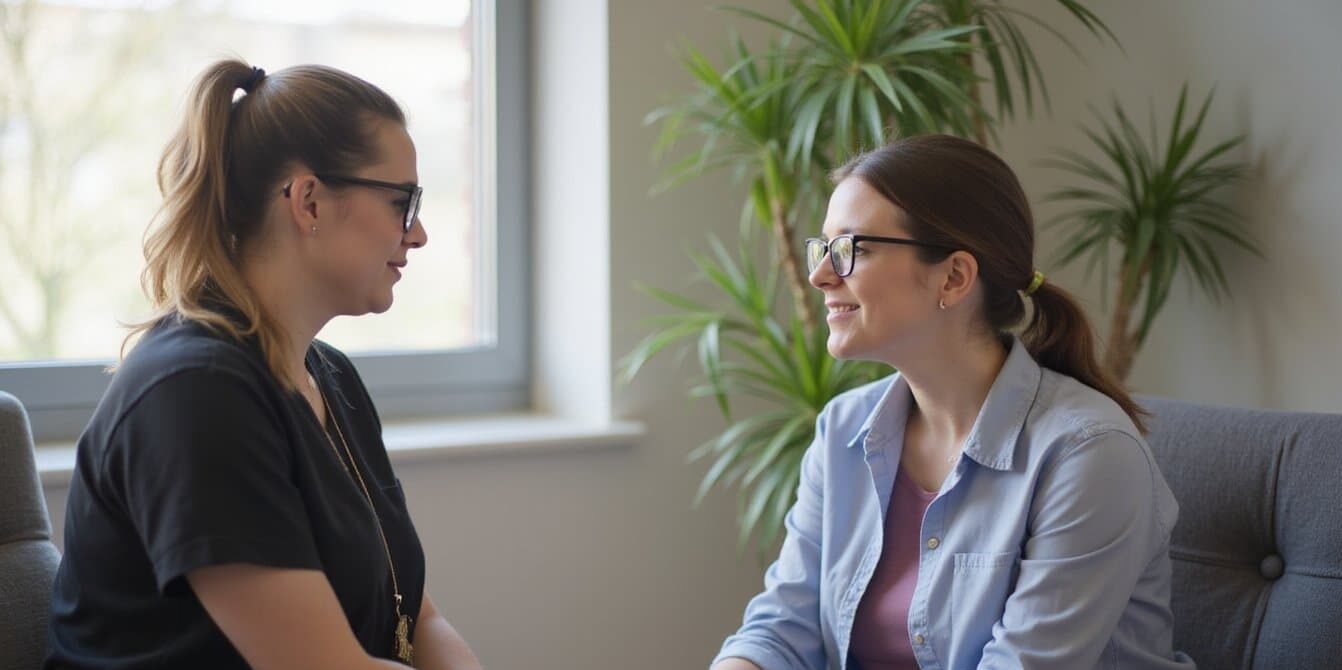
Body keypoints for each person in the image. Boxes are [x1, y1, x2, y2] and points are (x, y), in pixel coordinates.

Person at [45, 60, 482, 670]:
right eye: (401, 202)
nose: (420, 234)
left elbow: (419, 616)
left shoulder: (330, 378)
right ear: (309, 202)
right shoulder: (194, 394)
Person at [710, 134, 1196, 670]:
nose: (820, 274)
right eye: (823, 247)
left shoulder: (1088, 455)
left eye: (854, 249)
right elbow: (781, 629)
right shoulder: (842, 430)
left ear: (955, 276)